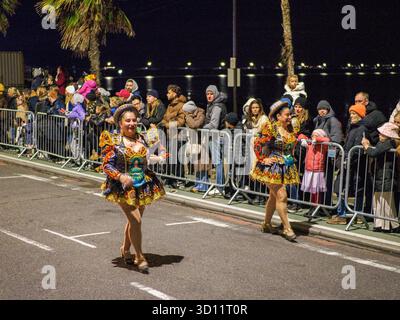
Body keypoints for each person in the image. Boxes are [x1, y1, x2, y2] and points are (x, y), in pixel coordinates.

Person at [100, 105, 166, 273]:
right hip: (122, 187)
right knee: (136, 220)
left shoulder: (144, 138)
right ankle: (140, 256)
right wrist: (121, 176)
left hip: (143, 184)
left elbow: (147, 157)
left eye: (134, 120)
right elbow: (106, 165)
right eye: (127, 120)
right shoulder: (113, 141)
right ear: (120, 124)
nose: (131, 123)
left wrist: (160, 157)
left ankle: (125, 249)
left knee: (133, 222)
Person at [250, 99, 299, 241]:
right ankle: (287, 228)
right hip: (271, 167)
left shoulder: (291, 128)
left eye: (289, 115)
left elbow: (291, 145)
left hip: (286, 166)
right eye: (286, 115)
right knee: (282, 195)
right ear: (278, 116)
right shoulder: (271, 128)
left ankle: (266, 224)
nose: (289, 117)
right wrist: (262, 159)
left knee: (273, 196)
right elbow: (257, 142)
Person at [361, 122, 400, 233]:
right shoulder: (382, 142)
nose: (380, 136)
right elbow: (375, 151)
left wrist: (366, 146)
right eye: (380, 134)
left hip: (386, 176)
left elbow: (374, 153)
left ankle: (387, 225)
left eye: (383, 134)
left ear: (388, 135)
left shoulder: (389, 143)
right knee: (378, 200)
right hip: (380, 175)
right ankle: (382, 224)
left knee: (386, 201)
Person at [298, 129, 330, 211]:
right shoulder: (311, 144)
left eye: (316, 135)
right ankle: (312, 207)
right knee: (312, 190)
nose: (313, 137)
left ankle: (316, 207)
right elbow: (300, 135)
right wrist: (303, 139)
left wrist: (317, 139)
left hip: (317, 169)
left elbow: (327, 139)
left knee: (316, 191)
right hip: (309, 169)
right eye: (313, 135)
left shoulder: (323, 145)